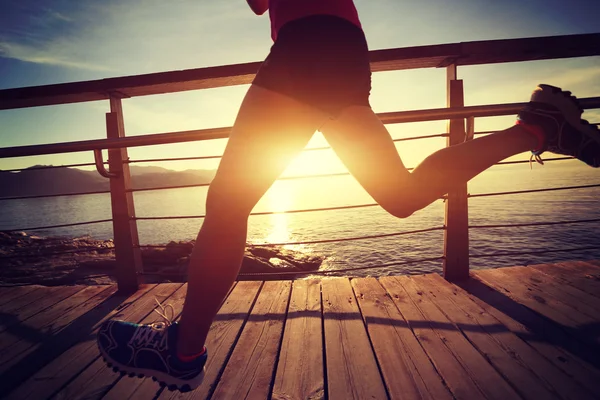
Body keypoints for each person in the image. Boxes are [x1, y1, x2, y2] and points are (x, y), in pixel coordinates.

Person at [96, 0, 600, 393]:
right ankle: (535, 130)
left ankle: (181, 353)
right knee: (399, 194)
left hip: (306, 45)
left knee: (228, 205)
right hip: (341, 46)